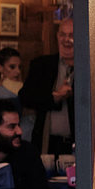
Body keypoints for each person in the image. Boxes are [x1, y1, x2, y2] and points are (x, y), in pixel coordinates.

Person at [24, 17, 75, 156]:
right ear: (57, 36)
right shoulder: (42, 65)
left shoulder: (87, 68)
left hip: (77, 144)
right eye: (63, 34)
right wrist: (54, 97)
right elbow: (25, 97)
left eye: (71, 35)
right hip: (46, 144)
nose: (66, 39)